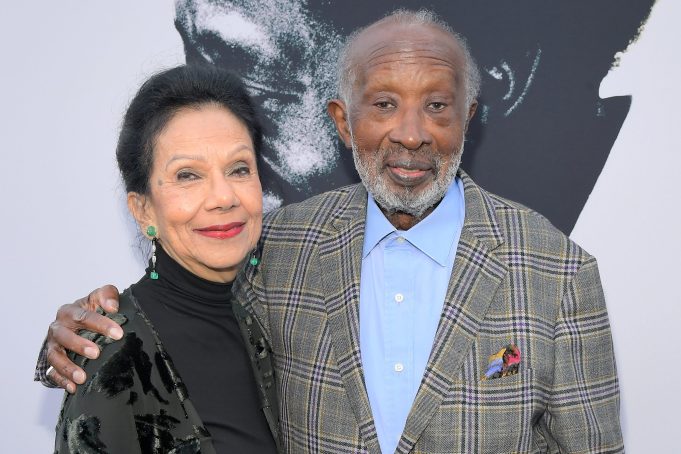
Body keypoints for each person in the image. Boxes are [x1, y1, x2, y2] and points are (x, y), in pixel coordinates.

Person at [37, 10, 623, 453]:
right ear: (343, 121)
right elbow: (172, 307)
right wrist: (77, 338)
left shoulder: (560, 273)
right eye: (384, 104)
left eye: (438, 107)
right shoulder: (284, 243)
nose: (412, 134)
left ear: (469, 115)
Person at [45, 65, 280, 453]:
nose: (224, 197)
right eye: (188, 175)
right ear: (143, 211)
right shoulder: (115, 363)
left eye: (239, 169)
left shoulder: (294, 309)